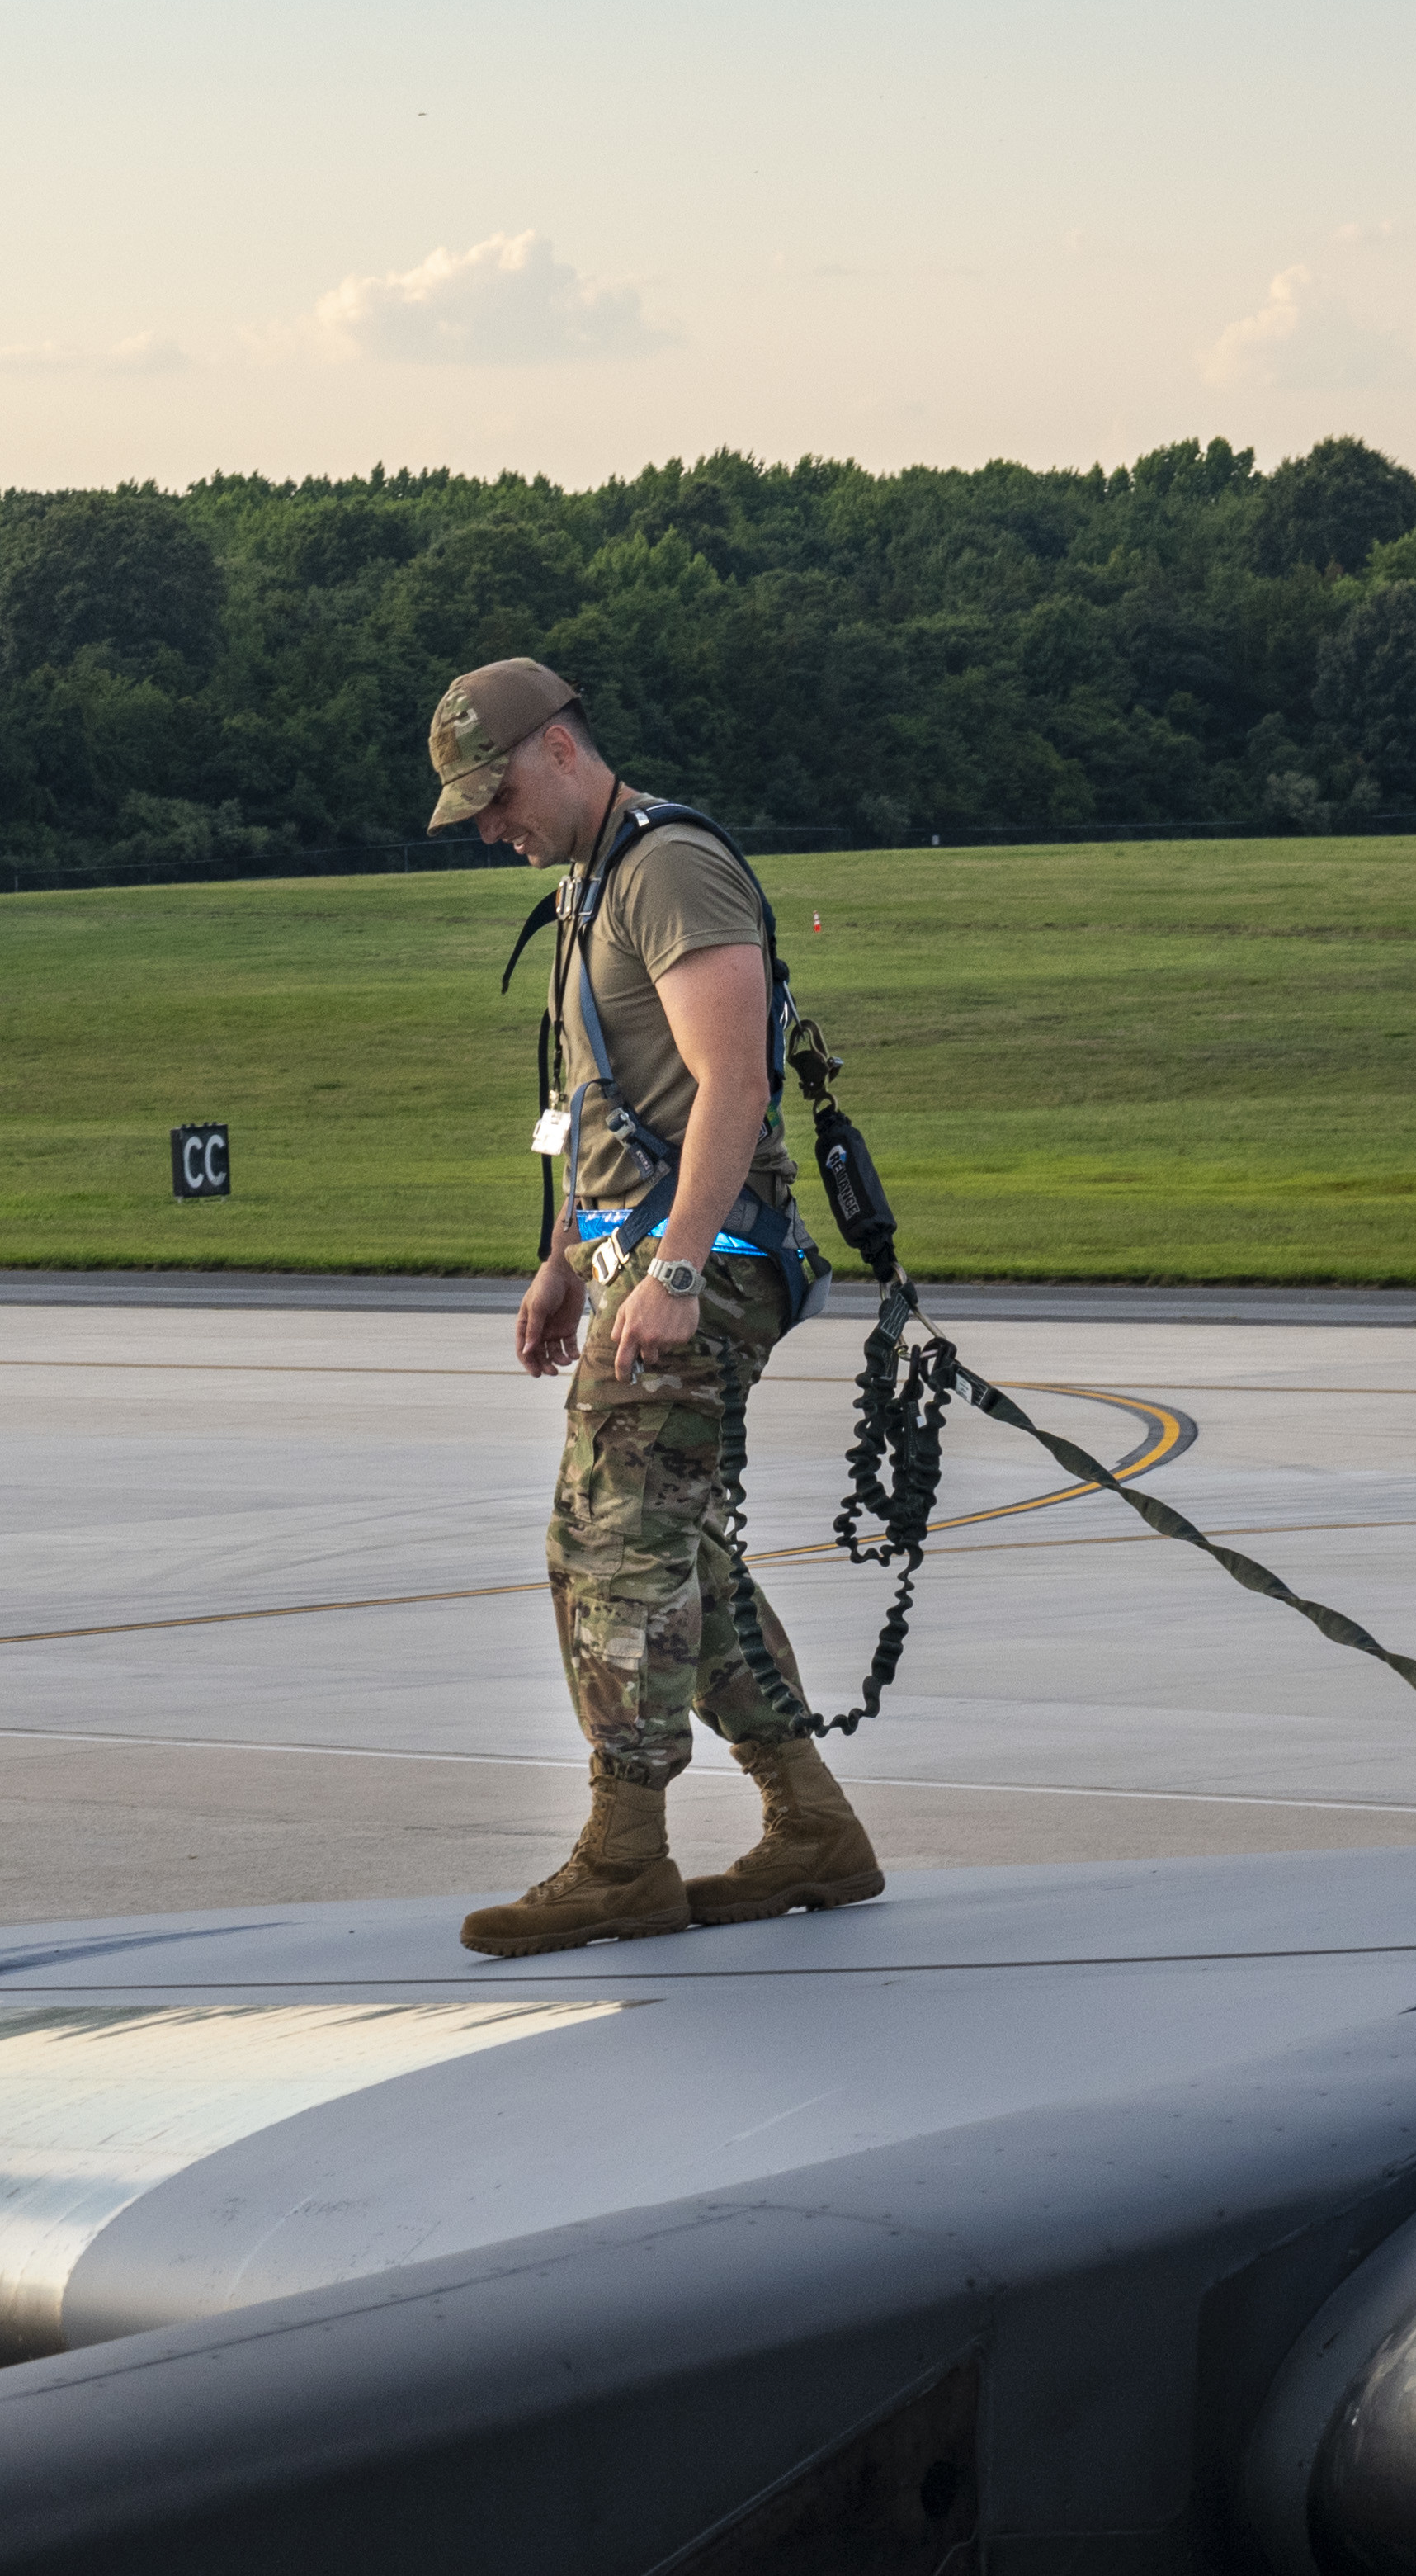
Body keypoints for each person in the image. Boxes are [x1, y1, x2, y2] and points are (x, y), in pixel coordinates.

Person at [422, 655, 886, 1954]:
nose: (491, 825)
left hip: (708, 1260)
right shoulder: (590, 882)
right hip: (639, 1257)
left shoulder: (669, 868)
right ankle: (812, 1826)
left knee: (613, 1547)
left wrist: (676, 1271)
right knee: (679, 1555)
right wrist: (570, 1257)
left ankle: (626, 1854)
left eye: (498, 793)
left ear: (561, 748)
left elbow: (730, 1086)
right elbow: (604, 1113)